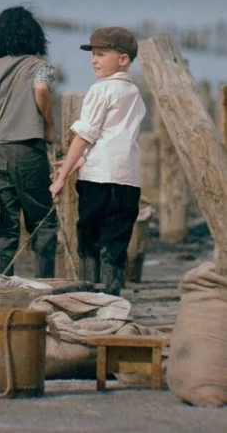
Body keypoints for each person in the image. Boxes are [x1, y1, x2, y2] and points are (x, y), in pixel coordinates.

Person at [49, 26, 146, 295]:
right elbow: (115, 136)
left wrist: (61, 177)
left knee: (89, 237)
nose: (94, 60)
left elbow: (84, 137)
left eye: (101, 54)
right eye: (93, 54)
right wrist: (79, 162)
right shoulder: (134, 93)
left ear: (123, 59)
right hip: (128, 178)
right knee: (115, 241)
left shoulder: (100, 90)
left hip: (98, 179)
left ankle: (90, 296)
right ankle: (111, 296)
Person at [0, 6, 58, 278]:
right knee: (42, 220)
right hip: (27, 149)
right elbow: (41, 88)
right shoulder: (40, 67)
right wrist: (49, 123)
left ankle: (1, 283)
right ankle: (45, 281)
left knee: (2, 225)